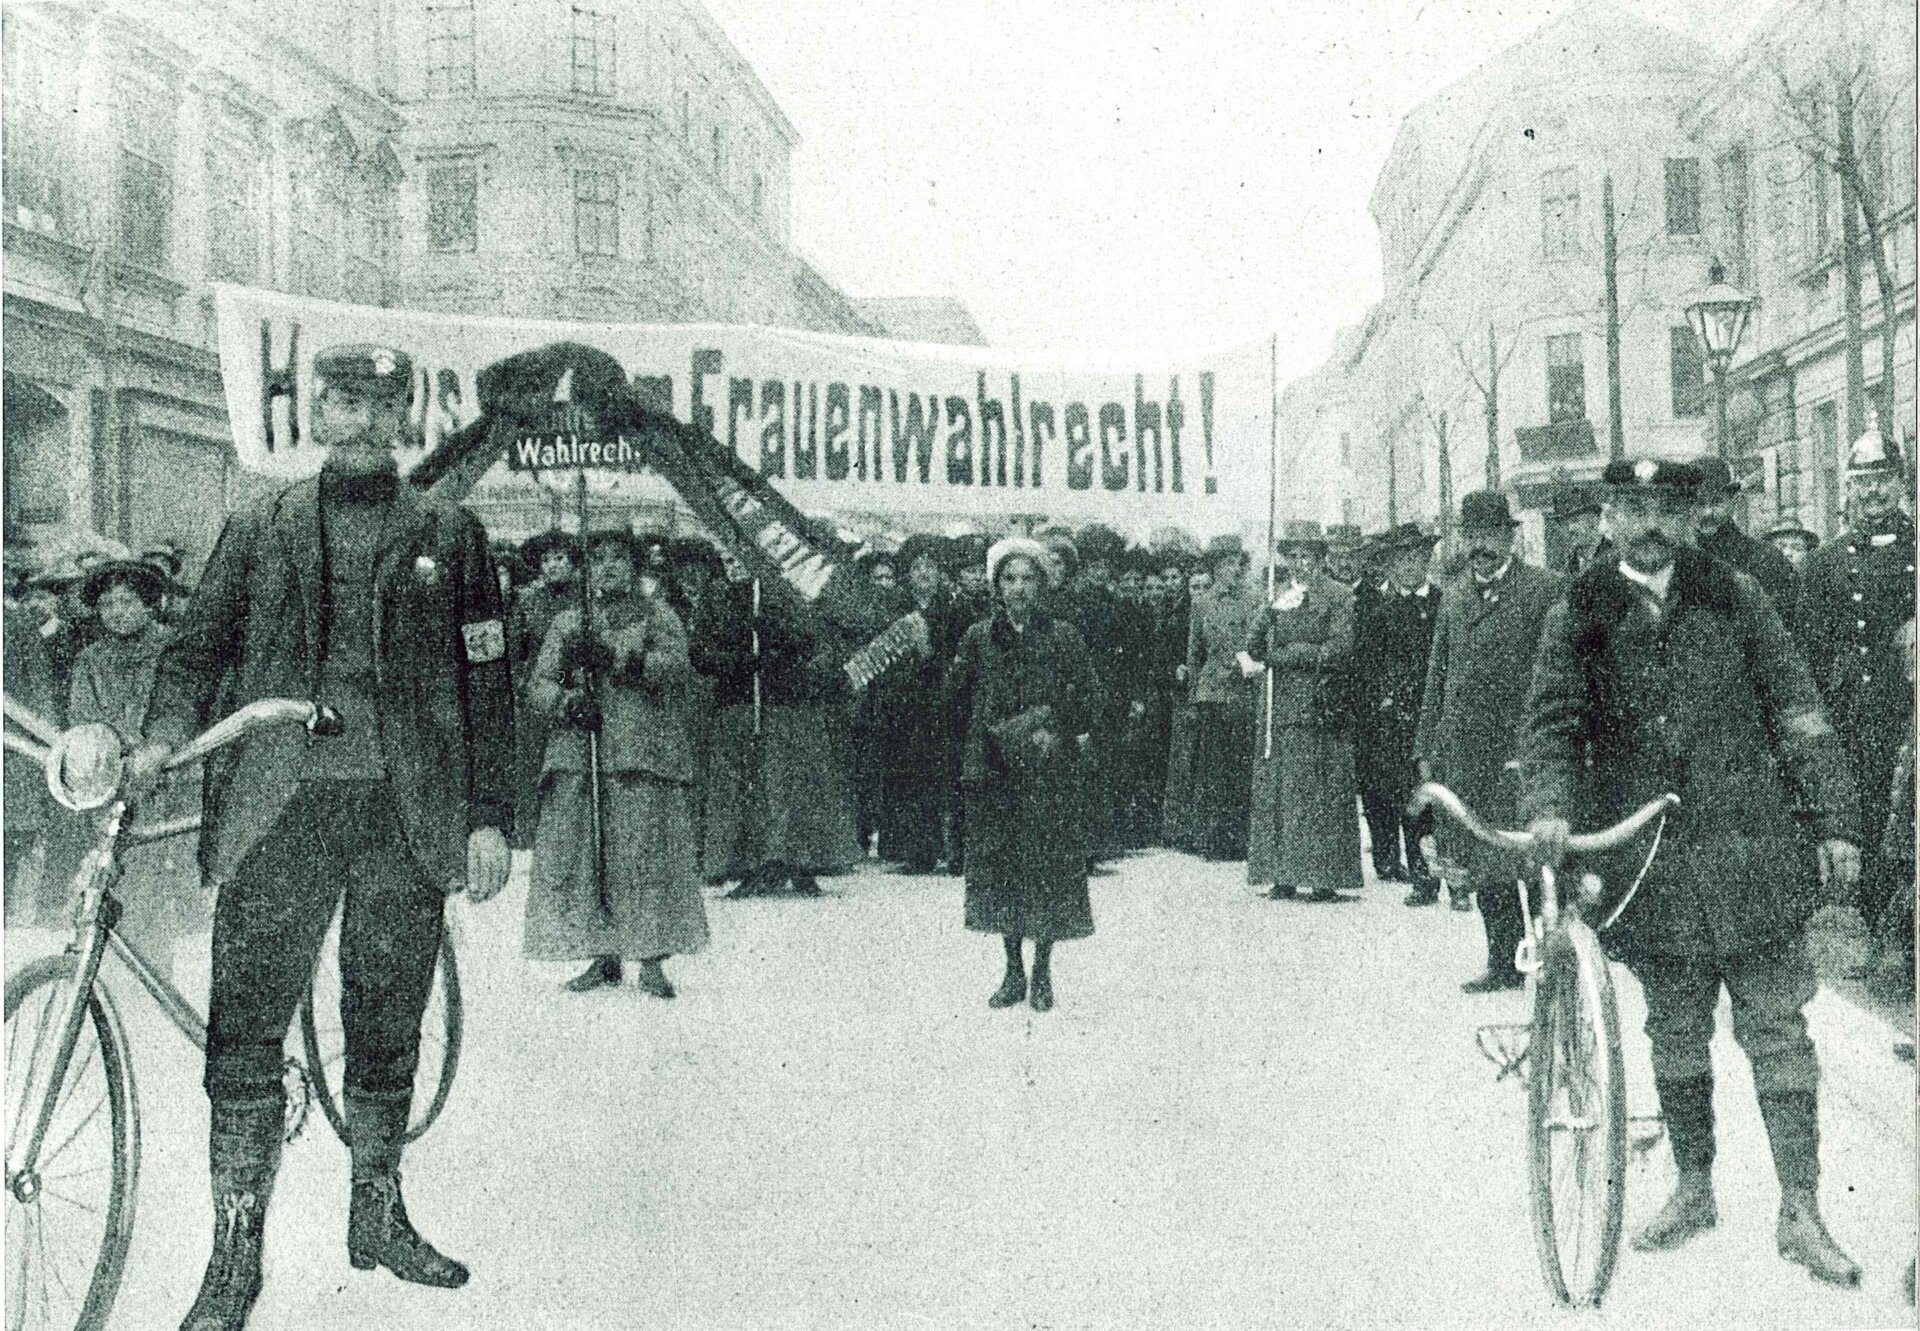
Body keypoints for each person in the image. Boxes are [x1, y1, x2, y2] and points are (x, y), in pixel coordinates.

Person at [132, 344, 514, 1331]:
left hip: (405, 810)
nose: (361, 417)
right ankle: (233, 1253)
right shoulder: (258, 527)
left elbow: (488, 683)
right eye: (344, 399)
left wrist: (488, 816)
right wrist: (161, 740)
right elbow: (193, 653)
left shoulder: (452, 535)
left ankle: (377, 1210)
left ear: (405, 418)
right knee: (247, 1023)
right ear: (317, 411)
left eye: (382, 402)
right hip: (280, 805)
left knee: (388, 1014)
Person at [1520, 456, 1868, 1287]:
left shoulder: (1734, 593)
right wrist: (1550, 805)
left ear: (1689, 515)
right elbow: (1551, 724)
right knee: (1673, 1030)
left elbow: (1798, 705)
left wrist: (1836, 818)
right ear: (1608, 515)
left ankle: (1802, 1208)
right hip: (1650, 861)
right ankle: (1696, 1186)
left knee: (1779, 1028)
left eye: (1665, 508)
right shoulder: (1581, 610)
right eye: (1632, 506)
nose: (1649, 523)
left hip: (1751, 852)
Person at [524, 531, 709, 996]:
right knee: (589, 856)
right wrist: (569, 700)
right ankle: (602, 955)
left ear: (635, 567)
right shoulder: (569, 624)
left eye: (618, 559)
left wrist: (618, 657)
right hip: (583, 754)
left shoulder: (656, 615)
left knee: (644, 857)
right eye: (598, 559)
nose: (607, 567)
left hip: (640, 752)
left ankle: (651, 959)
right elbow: (541, 683)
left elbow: (675, 666)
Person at [1415, 490, 1567, 979]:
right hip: (1466, 752)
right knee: (1485, 861)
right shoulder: (1454, 596)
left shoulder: (1543, 589)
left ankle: (1548, 962)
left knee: (1533, 861)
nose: (1481, 546)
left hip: (1521, 748)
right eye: (1472, 536)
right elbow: (1438, 673)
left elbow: (1558, 673)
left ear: (1509, 538)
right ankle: (1501, 962)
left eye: (1491, 536)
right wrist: (1427, 745)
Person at [948, 538, 1098, 1011]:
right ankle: (1012, 970)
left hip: (1046, 767)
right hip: (993, 770)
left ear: (1043, 584)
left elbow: (1091, 697)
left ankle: (1043, 971)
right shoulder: (977, 637)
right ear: (996, 585)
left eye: (1028, 578)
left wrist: (1055, 726)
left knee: (1047, 868)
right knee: (1002, 869)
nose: (1018, 588)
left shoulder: (1063, 636)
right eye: (1009, 579)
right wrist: (981, 732)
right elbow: (954, 698)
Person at [1795, 430, 1916, 966]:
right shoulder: (1824, 563)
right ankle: (1875, 927)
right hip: (1857, 715)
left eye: (1883, 482)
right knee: (1868, 819)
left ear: (1901, 483)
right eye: (1863, 483)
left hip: (1910, 710)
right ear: (1848, 489)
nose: (1873, 494)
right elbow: (1807, 648)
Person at [69, 559, 200, 978]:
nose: (116, 612)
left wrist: (157, 749)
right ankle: (111, 968)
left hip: (171, 779)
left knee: (164, 872)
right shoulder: (91, 660)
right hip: (115, 781)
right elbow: (83, 718)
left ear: (149, 606)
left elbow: (187, 708)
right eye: (107, 604)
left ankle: (158, 967)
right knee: (115, 871)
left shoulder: (172, 649)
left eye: (127, 602)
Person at [693, 572, 860, 895]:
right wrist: (740, 660)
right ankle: (749, 862)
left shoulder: (790, 590)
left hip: (786, 704)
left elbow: (819, 645)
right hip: (739, 704)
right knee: (743, 787)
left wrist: (781, 641)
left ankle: (795, 859)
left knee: (787, 786)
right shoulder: (718, 599)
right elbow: (700, 653)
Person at [1241, 521, 1360, 901]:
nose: (1300, 564)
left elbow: (1339, 648)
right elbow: (1253, 649)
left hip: (1321, 706)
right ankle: (1283, 874)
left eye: (1307, 556)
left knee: (1321, 793)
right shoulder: (1280, 596)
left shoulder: (1339, 596)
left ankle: (1324, 877)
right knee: (1283, 793)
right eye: (1293, 556)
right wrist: (1270, 611)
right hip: (1281, 710)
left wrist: (1290, 655)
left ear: (1320, 558)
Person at [1351, 523, 1443, 904]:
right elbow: (1368, 665)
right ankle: (1423, 879)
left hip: (1438, 713)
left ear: (1427, 560)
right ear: (1390, 565)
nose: (1409, 566)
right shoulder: (1380, 610)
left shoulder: (1445, 602)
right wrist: (1382, 700)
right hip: (1398, 720)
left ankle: (1456, 878)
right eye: (1401, 559)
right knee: (1411, 798)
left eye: (1416, 558)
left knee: (1446, 798)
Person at [876, 534, 967, 872]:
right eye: (917, 567)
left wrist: (929, 653)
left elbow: (962, 658)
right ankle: (917, 851)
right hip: (905, 706)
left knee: (950, 776)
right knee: (909, 777)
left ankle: (956, 850)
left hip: (944, 704)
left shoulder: (957, 610)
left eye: (931, 566)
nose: (924, 573)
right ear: (907, 574)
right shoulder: (894, 609)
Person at [1185, 534, 1263, 860]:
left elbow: (1259, 645)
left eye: (1235, 563)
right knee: (1213, 770)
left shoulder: (1254, 599)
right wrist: (1193, 697)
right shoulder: (1202, 603)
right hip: (1212, 693)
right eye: (1225, 564)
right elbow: (1194, 654)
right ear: (1215, 568)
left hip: (1243, 691)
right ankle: (1213, 838)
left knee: (1242, 767)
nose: (1231, 570)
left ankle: (1241, 837)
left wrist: (1249, 663)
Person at [510, 529, 583, 849]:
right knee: (533, 763)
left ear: (573, 563)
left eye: (559, 558)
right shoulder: (529, 604)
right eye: (545, 560)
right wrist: (521, 686)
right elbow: (516, 651)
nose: (552, 566)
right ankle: (530, 832)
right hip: (538, 695)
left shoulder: (586, 601)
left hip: (578, 692)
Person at [1691, 456, 1797, 613]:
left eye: (1716, 502)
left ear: (1734, 501)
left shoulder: (1765, 558)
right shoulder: (1675, 559)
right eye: (1699, 503)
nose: (1708, 512)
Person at [1553, 487, 1608, 576]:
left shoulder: (1607, 557)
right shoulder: (1572, 558)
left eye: (1575, 520)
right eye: (1569, 522)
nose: (1572, 528)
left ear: (1594, 522)